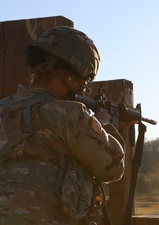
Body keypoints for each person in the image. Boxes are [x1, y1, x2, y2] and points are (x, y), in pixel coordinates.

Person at [0, 26, 126, 224]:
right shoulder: (70, 115)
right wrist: (104, 124)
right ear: (72, 75)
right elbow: (113, 167)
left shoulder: (3, 109)